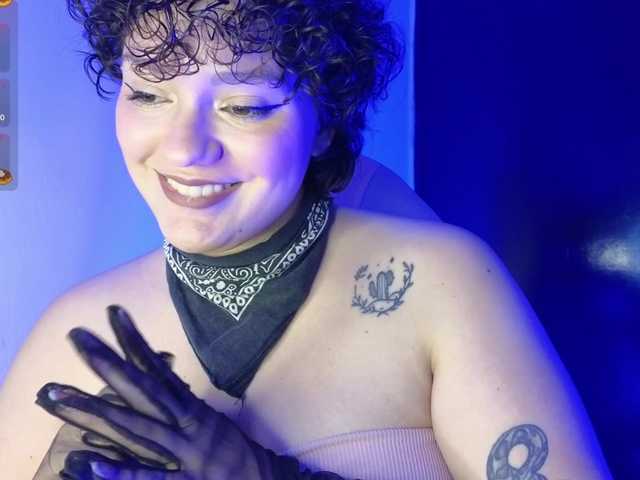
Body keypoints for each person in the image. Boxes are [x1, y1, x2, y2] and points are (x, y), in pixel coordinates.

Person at [0, 0, 613, 478]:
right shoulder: (68, 331)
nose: (184, 149)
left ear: (324, 122)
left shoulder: (442, 284)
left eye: (244, 106)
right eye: (149, 94)